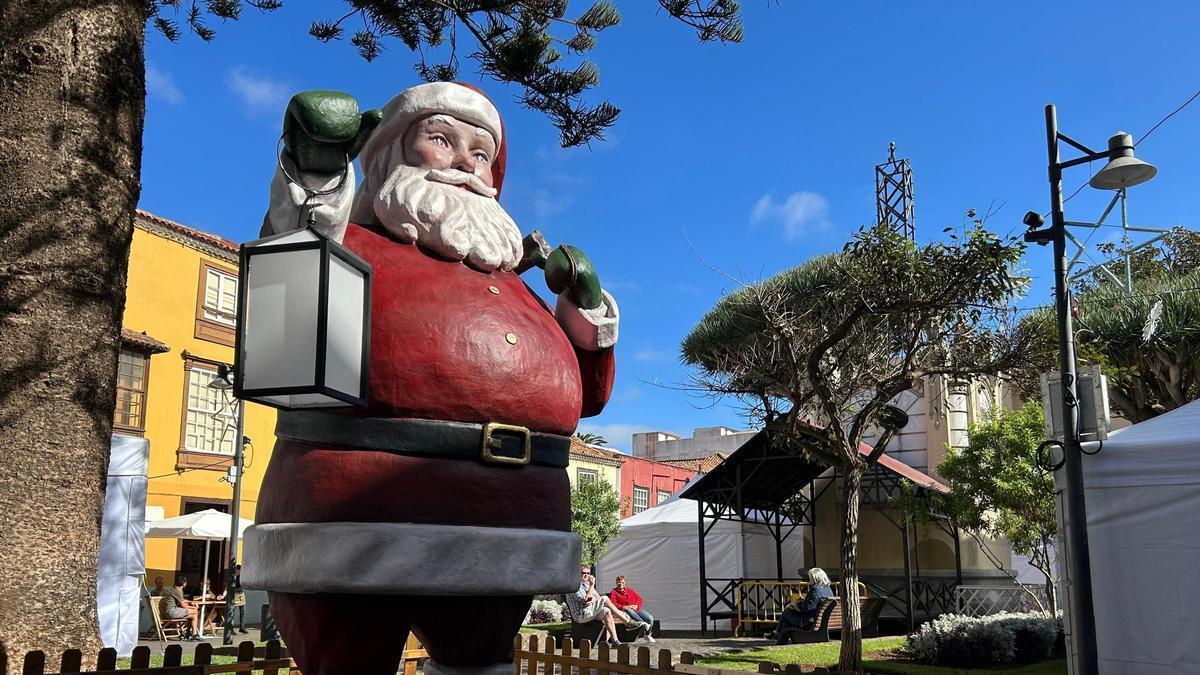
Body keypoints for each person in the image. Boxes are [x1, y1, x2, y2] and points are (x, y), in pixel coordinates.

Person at [242, 82, 620, 675]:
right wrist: (314, 179)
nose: (465, 165)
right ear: (391, 150)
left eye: (480, 153)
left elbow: (588, 400)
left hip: (512, 522)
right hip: (357, 515)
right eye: (442, 140)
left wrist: (583, 309)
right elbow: (287, 342)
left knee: (481, 665)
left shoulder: (518, 284)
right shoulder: (348, 245)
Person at [564, 565, 649, 647]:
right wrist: (592, 586)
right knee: (605, 598)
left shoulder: (586, 585)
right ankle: (627, 622)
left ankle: (615, 641)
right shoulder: (574, 586)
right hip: (580, 615)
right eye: (583, 573)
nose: (586, 575)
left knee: (606, 611)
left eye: (588, 573)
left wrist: (593, 597)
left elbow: (597, 598)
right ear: (578, 574)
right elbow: (587, 600)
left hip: (589, 611)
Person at [765, 567, 835, 644]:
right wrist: (804, 601)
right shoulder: (828, 589)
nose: (809, 579)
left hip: (808, 622)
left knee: (785, 613)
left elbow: (809, 608)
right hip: (820, 621)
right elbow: (814, 603)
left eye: (810, 577)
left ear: (815, 578)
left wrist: (797, 605)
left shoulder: (815, 589)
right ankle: (779, 642)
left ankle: (777, 633)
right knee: (786, 624)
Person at [609, 576, 656, 643]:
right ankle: (645, 625)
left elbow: (639, 598)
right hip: (625, 610)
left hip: (636, 609)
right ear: (616, 582)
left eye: (622, 582)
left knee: (650, 618)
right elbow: (613, 604)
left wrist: (636, 605)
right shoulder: (613, 592)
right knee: (630, 611)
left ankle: (647, 634)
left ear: (625, 583)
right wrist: (625, 607)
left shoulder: (629, 590)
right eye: (619, 582)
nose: (620, 583)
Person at [159, 575, 202, 641]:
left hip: (168, 612)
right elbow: (183, 605)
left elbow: (181, 600)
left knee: (193, 615)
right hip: (172, 612)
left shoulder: (174, 589)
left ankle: (191, 633)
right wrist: (193, 607)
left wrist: (190, 602)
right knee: (195, 611)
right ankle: (192, 634)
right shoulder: (178, 591)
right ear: (184, 583)